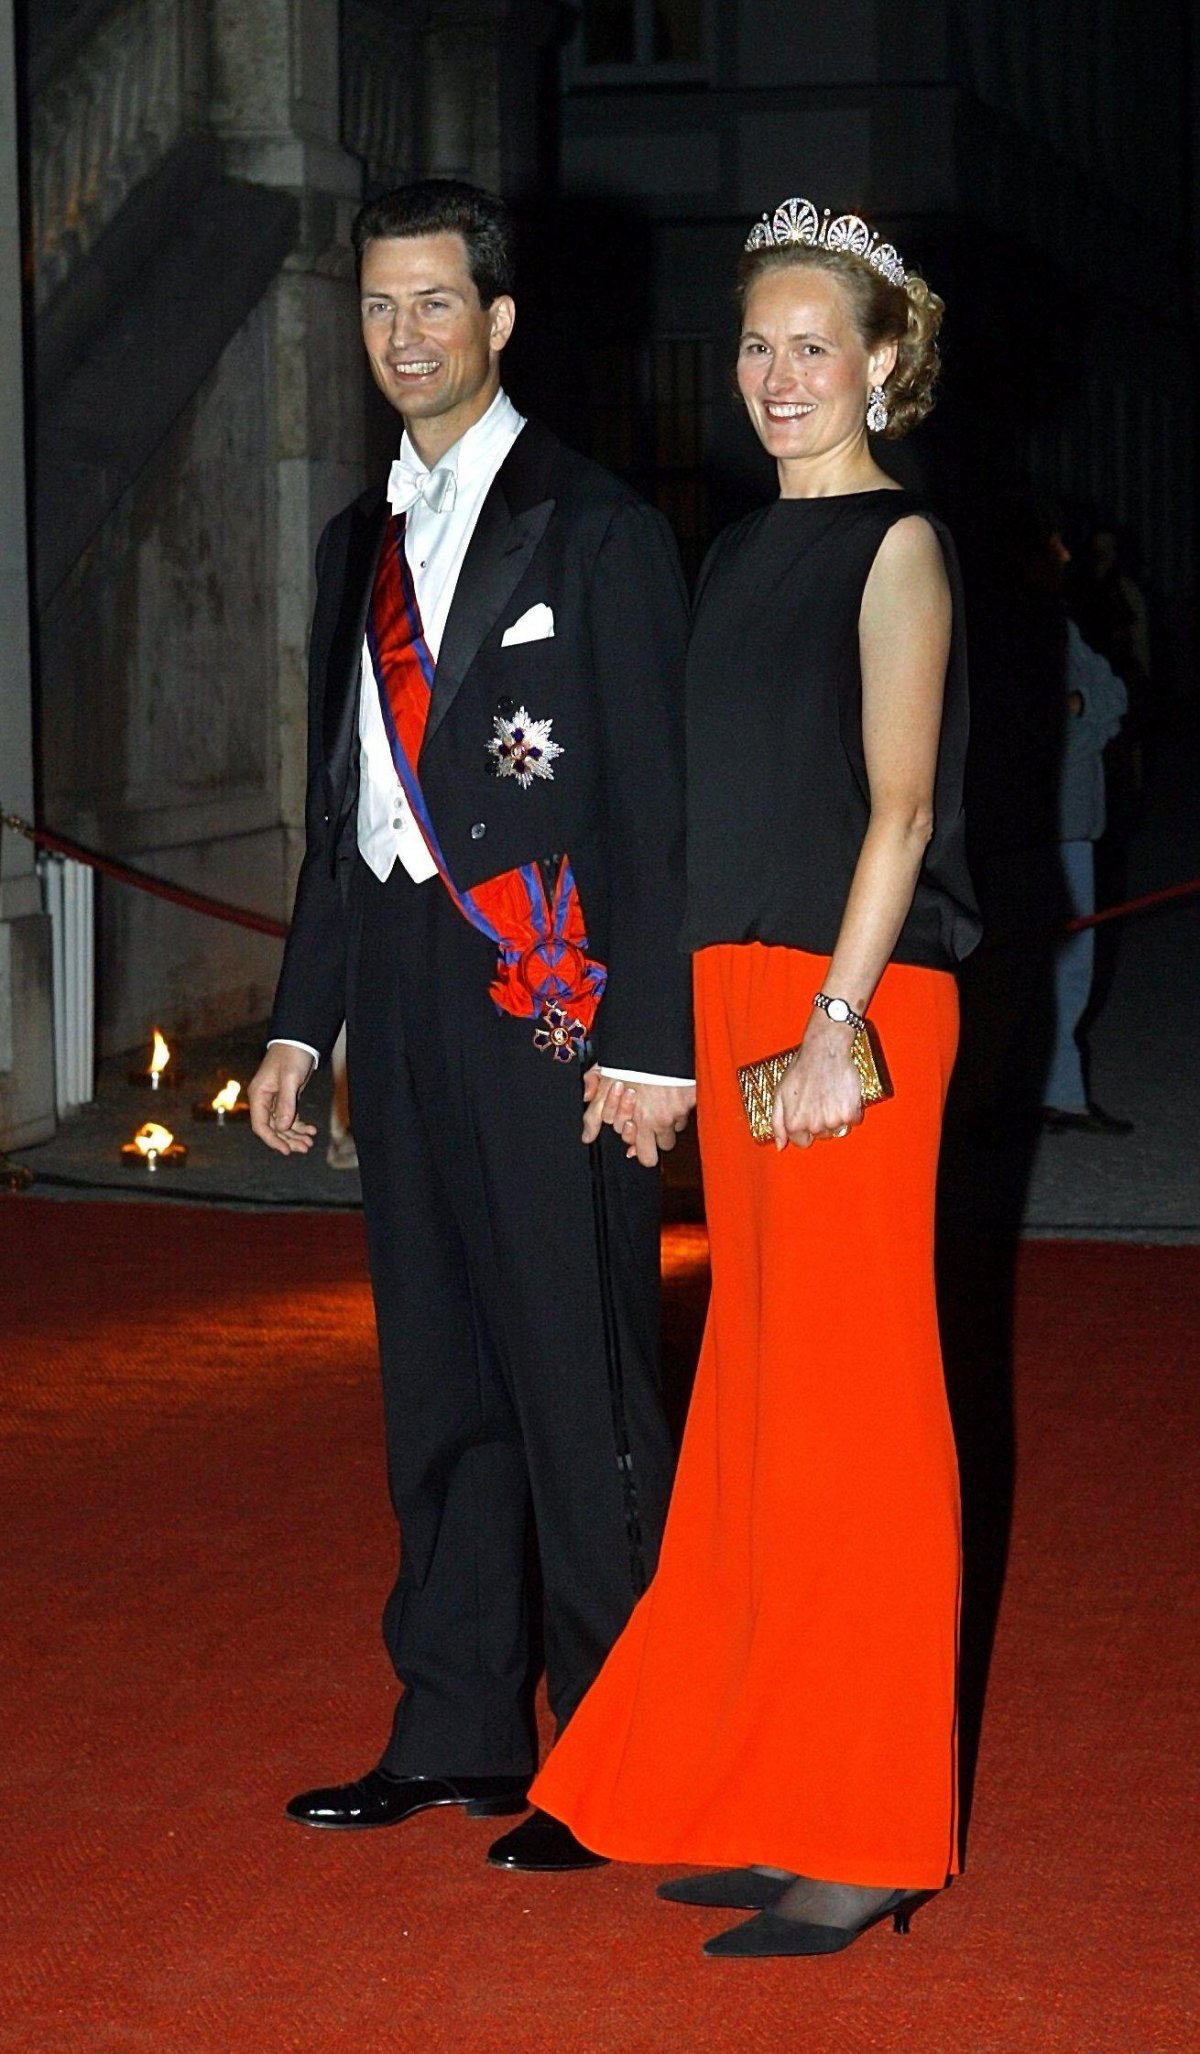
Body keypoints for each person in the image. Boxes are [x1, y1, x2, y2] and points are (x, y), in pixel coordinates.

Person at [531, 196, 981, 1956]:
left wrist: (832, 1023)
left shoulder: (902, 548)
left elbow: (902, 811)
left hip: (852, 1009)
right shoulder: (729, 553)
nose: (780, 375)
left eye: (817, 345)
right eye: (758, 345)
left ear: (884, 361)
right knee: (765, 1413)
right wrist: (666, 1044)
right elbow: (694, 827)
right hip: (739, 1006)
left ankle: (871, 1827)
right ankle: (769, 1777)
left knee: (860, 1410)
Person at [247, 180, 695, 1874]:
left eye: (436, 303)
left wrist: (649, 1044)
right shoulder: (349, 545)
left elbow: (656, 811)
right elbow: (336, 805)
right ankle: (456, 1726)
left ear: (499, 322)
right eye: (379, 307)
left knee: (575, 1380)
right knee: (437, 1371)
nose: (406, 335)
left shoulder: (596, 527)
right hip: (410, 998)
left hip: (550, 1001)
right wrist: (305, 1024)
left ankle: (625, 1740)